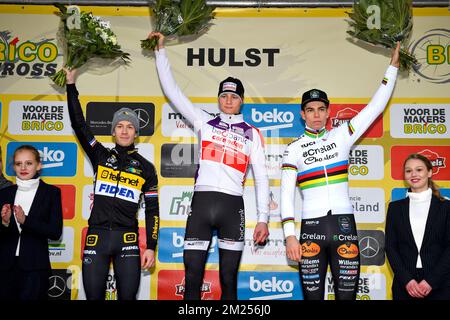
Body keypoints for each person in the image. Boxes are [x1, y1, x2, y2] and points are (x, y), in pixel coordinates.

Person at [149, 32, 270, 300]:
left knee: (228, 279)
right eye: (224, 95)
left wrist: (263, 218)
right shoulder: (204, 121)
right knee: (192, 276)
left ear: (241, 100)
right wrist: (160, 52)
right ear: (219, 98)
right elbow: (173, 91)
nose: (229, 100)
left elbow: (262, 178)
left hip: (232, 206)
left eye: (234, 96)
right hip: (202, 203)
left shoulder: (253, 133)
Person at [280, 43, 400, 300]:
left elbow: (375, 107)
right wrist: (290, 237)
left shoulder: (342, 136)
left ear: (328, 112)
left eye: (321, 109)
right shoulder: (293, 149)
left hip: (344, 227)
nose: (316, 115)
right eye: (310, 110)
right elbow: (285, 196)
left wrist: (392, 68)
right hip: (310, 229)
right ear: (302, 114)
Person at [64, 69, 160, 300]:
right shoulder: (100, 155)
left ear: (136, 132)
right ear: (113, 131)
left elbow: (153, 212)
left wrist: (151, 247)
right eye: (120, 126)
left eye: (129, 126)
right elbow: (79, 124)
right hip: (97, 236)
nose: (124, 130)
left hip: (127, 239)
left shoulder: (146, 168)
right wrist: (70, 84)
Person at [0, 145, 63, 300]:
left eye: (28, 163)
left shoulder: (52, 193)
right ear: (13, 167)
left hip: (36, 268)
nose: (23, 167)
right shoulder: (4, 193)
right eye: (18, 163)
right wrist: (5, 222)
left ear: (38, 165)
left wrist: (25, 221)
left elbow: (55, 232)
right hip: (5, 268)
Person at [385, 153, 450, 300]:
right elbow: (391, 246)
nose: (413, 174)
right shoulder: (395, 208)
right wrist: (407, 280)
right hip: (404, 286)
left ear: (429, 172)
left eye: (419, 170)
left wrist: (431, 281)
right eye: (408, 171)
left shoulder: (446, 207)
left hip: (440, 285)